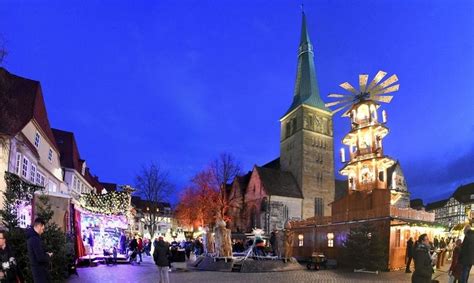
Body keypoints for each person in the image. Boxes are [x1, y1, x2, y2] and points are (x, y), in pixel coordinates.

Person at [27, 218, 52, 283]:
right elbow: (40, 258)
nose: (43, 231)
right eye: (42, 229)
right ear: (39, 226)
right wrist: (48, 255)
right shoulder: (34, 239)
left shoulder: (33, 237)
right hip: (40, 272)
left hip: (38, 271)